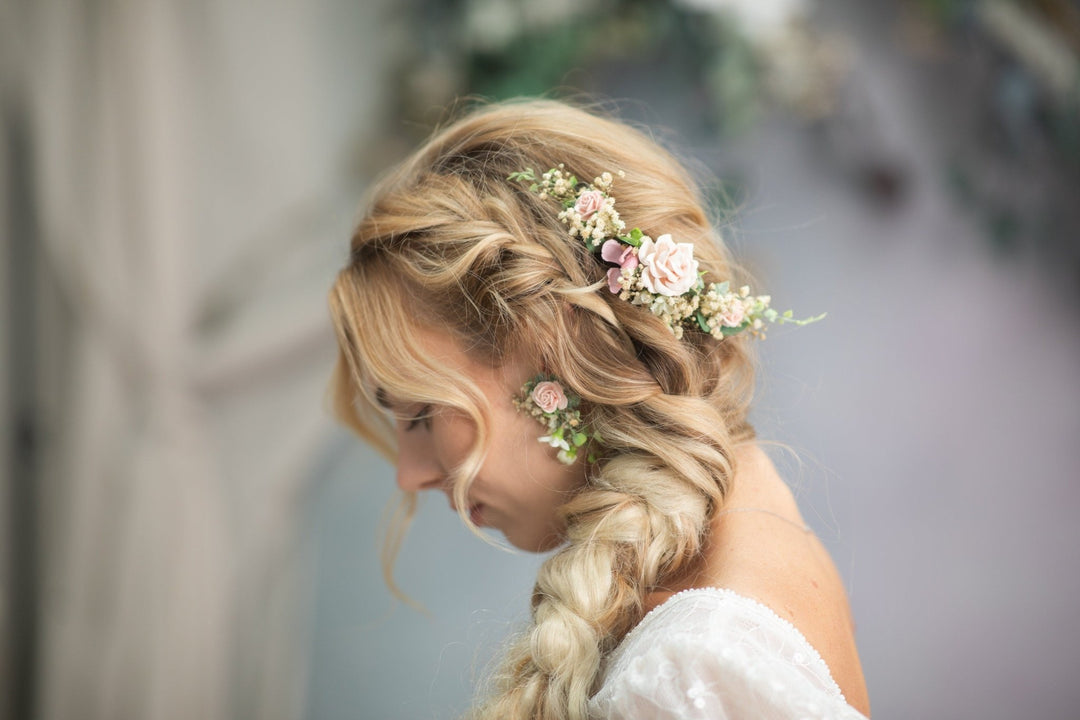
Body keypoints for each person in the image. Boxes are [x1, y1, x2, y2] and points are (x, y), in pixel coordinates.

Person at [328, 98, 870, 719]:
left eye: (421, 412)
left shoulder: (685, 670)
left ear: (552, 341)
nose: (410, 474)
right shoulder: (765, 538)